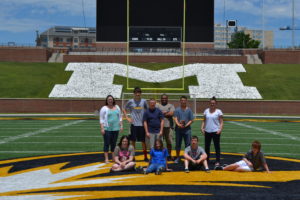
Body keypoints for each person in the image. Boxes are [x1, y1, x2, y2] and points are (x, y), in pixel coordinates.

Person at [123, 87, 149, 161]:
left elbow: (147, 110)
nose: (137, 94)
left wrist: (146, 120)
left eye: (139, 92)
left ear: (141, 93)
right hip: (134, 124)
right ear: (134, 93)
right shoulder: (130, 101)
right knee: (133, 141)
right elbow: (124, 108)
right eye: (136, 92)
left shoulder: (144, 101)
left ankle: (145, 156)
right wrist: (127, 118)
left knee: (143, 141)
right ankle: (133, 157)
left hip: (142, 124)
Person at [201, 96, 223, 167]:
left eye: (213, 103)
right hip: (207, 131)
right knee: (207, 147)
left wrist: (220, 129)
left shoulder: (218, 111)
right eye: (211, 103)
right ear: (209, 103)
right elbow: (204, 120)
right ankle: (206, 160)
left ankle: (218, 161)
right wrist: (202, 128)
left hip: (215, 131)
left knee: (217, 147)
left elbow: (221, 122)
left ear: (216, 103)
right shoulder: (206, 111)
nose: (212, 104)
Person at [100, 95, 123, 163]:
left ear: (113, 100)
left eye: (111, 99)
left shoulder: (117, 107)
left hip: (116, 128)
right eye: (109, 99)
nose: (110, 100)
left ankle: (113, 158)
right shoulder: (104, 108)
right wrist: (102, 128)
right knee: (107, 143)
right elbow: (101, 119)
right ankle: (106, 159)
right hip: (107, 128)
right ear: (107, 100)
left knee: (114, 144)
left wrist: (121, 126)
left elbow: (120, 117)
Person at [173, 96, 195, 163]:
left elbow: (191, 120)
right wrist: (178, 124)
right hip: (178, 129)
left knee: (187, 144)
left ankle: (187, 157)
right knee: (178, 144)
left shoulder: (189, 110)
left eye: (184, 100)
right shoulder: (177, 110)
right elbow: (175, 118)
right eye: (182, 100)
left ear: (186, 101)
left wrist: (185, 125)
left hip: (187, 130)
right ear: (180, 101)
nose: (183, 101)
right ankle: (177, 157)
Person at [156, 94, 175, 160]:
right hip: (159, 127)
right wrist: (166, 112)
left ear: (167, 99)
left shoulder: (171, 105)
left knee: (169, 142)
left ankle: (169, 155)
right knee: (160, 142)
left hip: (169, 127)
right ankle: (161, 155)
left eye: (165, 98)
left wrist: (161, 113)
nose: (164, 99)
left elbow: (172, 113)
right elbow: (156, 113)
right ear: (161, 99)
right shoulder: (157, 105)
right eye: (163, 98)